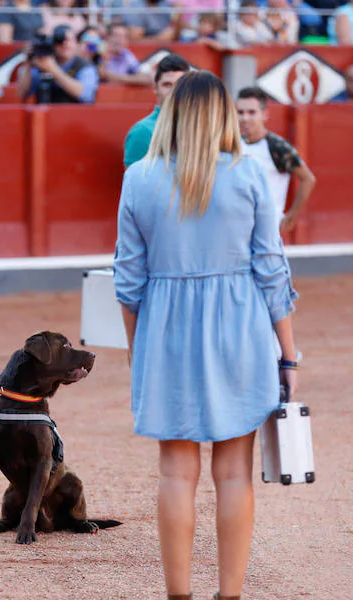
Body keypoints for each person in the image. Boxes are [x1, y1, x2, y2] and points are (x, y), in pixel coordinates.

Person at [113, 71, 299, 600]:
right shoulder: (249, 174)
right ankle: (230, 595)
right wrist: (288, 353)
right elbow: (271, 268)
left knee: (175, 471)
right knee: (235, 471)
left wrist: (137, 349)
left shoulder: (139, 177)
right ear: (222, 114)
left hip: (165, 327)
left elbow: (128, 280)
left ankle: (178, 595)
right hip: (240, 326)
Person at [236, 87, 316, 231]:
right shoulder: (234, 144)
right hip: (239, 225)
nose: (245, 118)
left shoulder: (276, 146)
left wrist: (291, 216)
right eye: (240, 112)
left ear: (264, 114)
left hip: (267, 227)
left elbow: (308, 179)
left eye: (251, 112)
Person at [122, 53, 189, 168]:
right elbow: (136, 183)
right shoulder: (142, 131)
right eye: (167, 85)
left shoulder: (201, 126)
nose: (173, 92)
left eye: (180, 84)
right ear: (155, 88)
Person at [17, 24, 99, 104]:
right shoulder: (43, 63)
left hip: (75, 116)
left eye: (69, 40)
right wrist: (29, 63)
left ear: (76, 43)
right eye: (60, 40)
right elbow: (22, 93)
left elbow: (85, 95)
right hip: (46, 115)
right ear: (53, 43)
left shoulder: (85, 66)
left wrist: (53, 70)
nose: (65, 44)